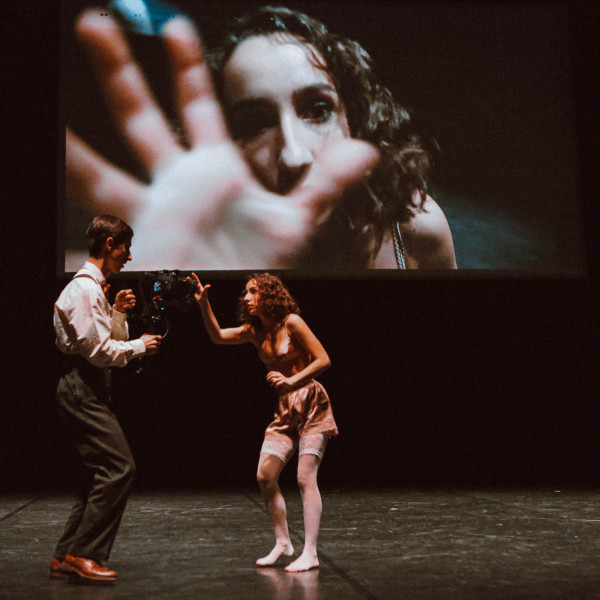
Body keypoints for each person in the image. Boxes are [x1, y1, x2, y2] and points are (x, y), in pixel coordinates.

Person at [65, 3, 456, 270]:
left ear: (355, 117)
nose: (294, 156)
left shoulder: (416, 230)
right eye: (255, 123)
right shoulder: (212, 253)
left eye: (318, 110)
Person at [192, 272, 336, 571]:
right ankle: (283, 543)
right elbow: (218, 336)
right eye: (246, 292)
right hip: (285, 410)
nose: (246, 297)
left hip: (312, 403)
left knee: (305, 477)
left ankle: (310, 552)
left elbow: (323, 359)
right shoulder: (254, 330)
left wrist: (292, 380)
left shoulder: (292, 322)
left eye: (253, 291)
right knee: (265, 476)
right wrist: (204, 305)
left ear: (269, 295)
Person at [50, 214, 162, 583]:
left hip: (88, 384)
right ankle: (85, 554)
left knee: (97, 474)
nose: (129, 256)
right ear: (109, 244)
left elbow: (103, 340)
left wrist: (118, 312)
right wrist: (140, 345)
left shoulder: (93, 289)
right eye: (125, 248)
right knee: (119, 468)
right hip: (82, 385)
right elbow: (99, 352)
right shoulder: (85, 290)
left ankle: (66, 555)